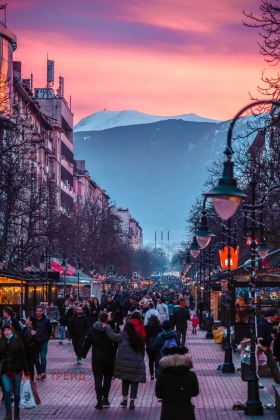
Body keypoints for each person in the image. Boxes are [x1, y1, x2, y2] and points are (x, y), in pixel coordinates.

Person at [82, 312, 121, 410]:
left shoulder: (92, 330)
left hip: (97, 358)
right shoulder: (110, 330)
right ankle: (106, 398)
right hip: (108, 358)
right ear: (107, 320)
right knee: (107, 379)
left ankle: (99, 401)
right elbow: (115, 343)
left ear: (98, 318)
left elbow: (87, 343)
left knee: (97, 379)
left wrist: (83, 354)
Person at [155, 346, 199, 420]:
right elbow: (195, 392)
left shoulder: (162, 375)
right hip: (186, 412)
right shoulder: (191, 375)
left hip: (167, 413)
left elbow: (158, 394)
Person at [114, 322, 146, 410]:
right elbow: (143, 352)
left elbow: (113, 337)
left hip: (125, 363)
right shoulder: (138, 337)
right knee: (135, 382)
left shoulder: (122, 336)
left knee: (125, 380)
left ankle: (124, 399)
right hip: (136, 363)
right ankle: (132, 401)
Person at [0, 323, 28, 420]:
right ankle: (8, 414)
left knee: (16, 392)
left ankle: (17, 413)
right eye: (4, 330)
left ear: (11, 330)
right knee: (7, 391)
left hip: (16, 370)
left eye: (8, 330)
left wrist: (26, 370)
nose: (6, 332)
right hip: (5, 370)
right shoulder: (2, 342)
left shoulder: (17, 340)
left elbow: (23, 357)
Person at [257, 309, 280, 384]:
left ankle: (278, 379)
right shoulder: (262, 324)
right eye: (272, 317)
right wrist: (271, 337)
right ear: (267, 317)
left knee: (271, 364)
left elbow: (274, 334)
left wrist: (273, 335)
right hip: (262, 347)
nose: (273, 318)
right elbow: (260, 337)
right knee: (268, 363)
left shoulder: (269, 324)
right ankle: (278, 379)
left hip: (267, 347)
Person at [21, 316, 41, 382]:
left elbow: (38, 341)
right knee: (25, 366)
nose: (26, 320)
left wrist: (34, 335)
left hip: (32, 351)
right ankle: (27, 379)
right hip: (25, 350)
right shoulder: (24, 329)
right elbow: (22, 339)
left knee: (31, 365)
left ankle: (31, 381)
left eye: (27, 319)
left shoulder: (35, 329)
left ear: (31, 322)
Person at [35, 306, 52, 380]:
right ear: (36, 312)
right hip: (35, 343)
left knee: (43, 358)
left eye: (40, 311)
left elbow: (49, 331)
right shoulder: (33, 320)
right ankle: (39, 372)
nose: (39, 312)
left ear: (42, 312)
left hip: (43, 342)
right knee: (36, 360)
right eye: (37, 311)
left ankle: (43, 372)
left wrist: (46, 339)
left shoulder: (46, 320)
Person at [145, 315, 163, 380]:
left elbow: (145, 336)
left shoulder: (146, 327)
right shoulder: (159, 327)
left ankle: (151, 374)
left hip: (149, 345)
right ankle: (157, 373)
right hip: (157, 346)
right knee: (157, 360)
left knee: (150, 360)